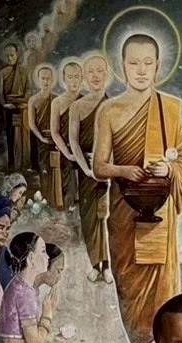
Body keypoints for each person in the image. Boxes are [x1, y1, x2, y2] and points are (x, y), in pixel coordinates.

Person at [93, 32, 182, 343]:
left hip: (159, 210)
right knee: (129, 279)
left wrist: (170, 169)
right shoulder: (109, 110)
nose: (140, 70)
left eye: (147, 63)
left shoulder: (170, 108)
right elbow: (99, 166)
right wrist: (124, 170)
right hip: (124, 208)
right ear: (122, 66)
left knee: (160, 281)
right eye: (133, 63)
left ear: (158, 66)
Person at [69, 52, 113, 284]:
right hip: (86, 171)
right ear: (85, 76)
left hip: (109, 170)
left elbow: (118, 141)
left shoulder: (113, 106)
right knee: (88, 220)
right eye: (90, 72)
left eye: (100, 71)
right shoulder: (77, 107)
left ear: (107, 75)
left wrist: (107, 166)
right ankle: (96, 265)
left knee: (105, 216)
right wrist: (87, 169)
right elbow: (74, 142)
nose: (95, 76)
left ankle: (108, 266)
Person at [0, 232, 57, 343]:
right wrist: (47, 314)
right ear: (31, 258)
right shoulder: (24, 293)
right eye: (43, 251)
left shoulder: (19, 284)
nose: (47, 257)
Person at [49, 59, 84, 211]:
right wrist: (68, 153)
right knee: (67, 171)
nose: (74, 81)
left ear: (82, 78)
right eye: (70, 77)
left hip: (83, 147)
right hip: (65, 148)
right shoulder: (57, 102)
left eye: (77, 77)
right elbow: (55, 132)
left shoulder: (86, 100)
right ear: (64, 79)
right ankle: (69, 206)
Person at [29, 64, 61, 208]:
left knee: (58, 169)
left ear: (52, 80)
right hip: (41, 141)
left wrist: (57, 138)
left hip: (56, 140)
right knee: (44, 170)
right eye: (43, 78)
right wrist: (42, 138)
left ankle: (57, 200)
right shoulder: (33, 100)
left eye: (48, 78)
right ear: (38, 80)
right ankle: (46, 199)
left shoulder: (57, 99)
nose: (46, 81)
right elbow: (32, 124)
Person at [0, 43, 31, 171]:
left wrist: (25, 102)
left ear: (17, 54)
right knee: (10, 135)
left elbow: (28, 89)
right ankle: (12, 163)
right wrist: (5, 104)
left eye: (12, 55)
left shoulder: (25, 70)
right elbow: (0, 93)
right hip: (9, 108)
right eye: (7, 56)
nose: (10, 58)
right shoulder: (3, 72)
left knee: (25, 136)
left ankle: (25, 163)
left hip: (23, 107)